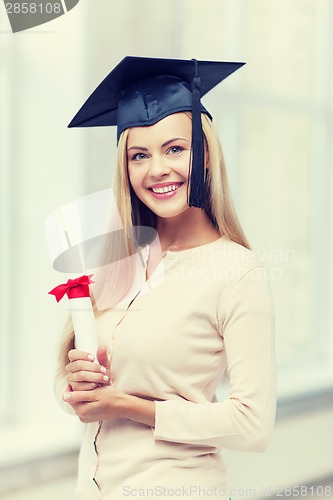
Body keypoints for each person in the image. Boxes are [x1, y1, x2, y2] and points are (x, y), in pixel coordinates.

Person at [55, 56, 276, 500]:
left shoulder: (235, 271)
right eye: (140, 155)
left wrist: (131, 408)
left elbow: (253, 425)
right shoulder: (117, 259)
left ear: (206, 154)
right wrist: (75, 384)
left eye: (175, 149)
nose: (157, 169)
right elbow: (76, 386)